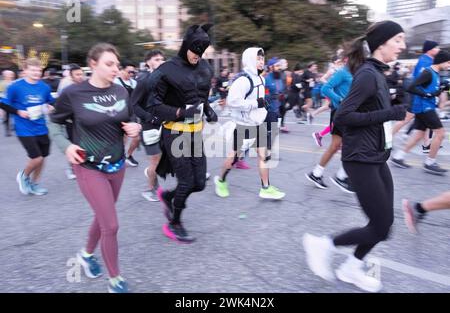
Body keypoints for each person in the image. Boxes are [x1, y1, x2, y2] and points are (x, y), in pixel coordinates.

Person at [303, 20, 407, 292]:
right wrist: (390, 113)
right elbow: (346, 116)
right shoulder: (367, 74)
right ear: (382, 43)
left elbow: (373, 111)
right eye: (398, 40)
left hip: (375, 156)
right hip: (360, 158)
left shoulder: (377, 74)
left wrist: (395, 104)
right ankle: (322, 244)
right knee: (380, 225)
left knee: (384, 225)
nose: (402, 46)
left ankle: (351, 268)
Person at [49, 43, 141, 293]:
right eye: (109, 64)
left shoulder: (121, 91)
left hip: (117, 164)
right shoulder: (74, 93)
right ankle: (115, 280)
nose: (115, 69)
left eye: (117, 64)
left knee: (103, 216)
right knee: (110, 225)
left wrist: (136, 128)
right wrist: (65, 146)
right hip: (88, 166)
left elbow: (131, 118)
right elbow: (54, 123)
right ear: (93, 64)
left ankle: (86, 254)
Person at [148, 24, 217, 243]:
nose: (199, 55)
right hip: (175, 133)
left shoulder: (205, 67)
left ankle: (168, 196)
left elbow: (201, 96)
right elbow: (154, 105)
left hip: (195, 133)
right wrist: (179, 111)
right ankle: (174, 223)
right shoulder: (167, 69)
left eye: (203, 51)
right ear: (186, 46)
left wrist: (209, 110)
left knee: (199, 183)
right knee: (186, 182)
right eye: (195, 50)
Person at [214, 47, 286, 201]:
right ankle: (220, 181)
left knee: (264, 155)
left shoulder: (260, 78)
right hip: (242, 125)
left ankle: (265, 188)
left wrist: (263, 106)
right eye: (258, 59)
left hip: (258, 123)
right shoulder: (243, 80)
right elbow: (233, 102)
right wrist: (256, 103)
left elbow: (259, 101)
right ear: (249, 60)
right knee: (234, 157)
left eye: (262, 58)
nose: (261, 61)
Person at [1, 58, 55, 195]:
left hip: (41, 127)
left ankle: (34, 184)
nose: (36, 73)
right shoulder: (15, 86)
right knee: (36, 158)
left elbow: (51, 101)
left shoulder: (44, 87)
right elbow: (3, 103)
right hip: (24, 129)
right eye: (33, 70)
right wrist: (19, 112)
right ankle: (23, 176)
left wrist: (50, 107)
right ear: (25, 71)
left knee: (43, 157)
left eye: (39, 70)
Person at [391, 50, 450, 175]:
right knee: (440, 134)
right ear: (441, 61)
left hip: (425, 107)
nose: (449, 65)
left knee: (418, 135)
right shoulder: (428, 72)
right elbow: (411, 87)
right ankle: (430, 162)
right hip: (424, 108)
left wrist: (439, 90)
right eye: (448, 62)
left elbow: (431, 90)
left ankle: (398, 157)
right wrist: (427, 94)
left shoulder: (435, 73)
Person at [305, 52, 354, 194]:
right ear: (346, 59)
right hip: (340, 112)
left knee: (336, 146)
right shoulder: (342, 72)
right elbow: (325, 88)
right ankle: (341, 176)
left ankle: (317, 173)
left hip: (347, 113)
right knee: (348, 145)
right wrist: (339, 99)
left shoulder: (354, 72)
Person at [131, 49, 165, 202]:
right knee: (155, 160)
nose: (160, 62)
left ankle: (152, 175)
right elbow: (134, 104)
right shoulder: (144, 80)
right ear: (148, 62)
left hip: (164, 124)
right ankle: (150, 190)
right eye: (156, 59)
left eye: (161, 59)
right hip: (149, 126)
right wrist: (149, 118)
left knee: (161, 158)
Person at [56, 64, 85, 180]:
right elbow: (60, 105)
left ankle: (81, 166)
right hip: (70, 122)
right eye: (77, 75)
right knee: (74, 144)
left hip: (82, 121)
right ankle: (70, 167)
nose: (80, 77)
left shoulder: (85, 87)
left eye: (81, 74)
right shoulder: (66, 88)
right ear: (72, 76)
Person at [114, 61, 140, 167]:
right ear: (122, 70)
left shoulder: (134, 83)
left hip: (131, 113)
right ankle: (119, 156)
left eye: (133, 72)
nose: (131, 74)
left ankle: (128, 155)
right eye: (129, 72)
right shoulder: (115, 82)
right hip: (117, 112)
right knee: (120, 137)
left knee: (136, 137)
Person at [0, 69, 17, 136]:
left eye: (12, 74)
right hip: (5, 102)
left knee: (15, 114)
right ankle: (7, 130)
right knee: (6, 116)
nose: (12, 75)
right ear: (5, 75)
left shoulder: (15, 82)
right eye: (10, 74)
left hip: (14, 102)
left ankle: (15, 127)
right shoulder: (1, 83)